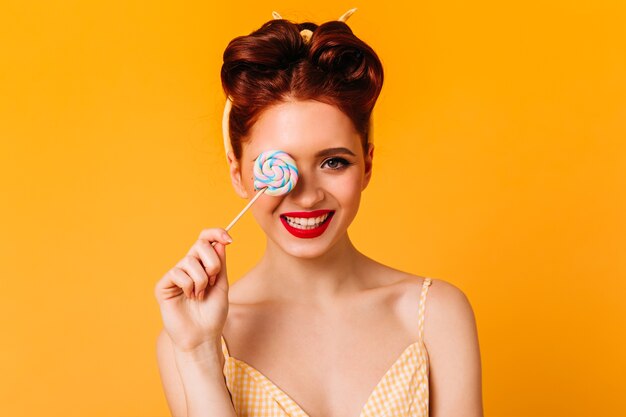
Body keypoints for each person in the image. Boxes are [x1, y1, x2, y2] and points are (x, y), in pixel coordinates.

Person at [154, 8, 483, 417]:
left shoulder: (435, 315)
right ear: (238, 174)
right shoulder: (190, 335)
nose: (306, 196)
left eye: (333, 163)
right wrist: (200, 355)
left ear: (367, 165)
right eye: (278, 166)